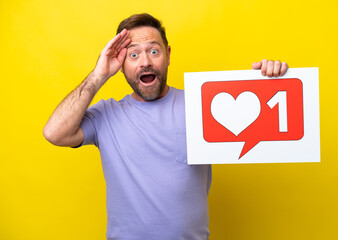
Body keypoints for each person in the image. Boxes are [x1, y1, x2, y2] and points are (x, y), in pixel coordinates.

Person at [43, 13, 288, 240]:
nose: (145, 62)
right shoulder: (106, 115)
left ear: (168, 55)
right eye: (133, 54)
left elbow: (258, 121)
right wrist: (99, 73)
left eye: (154, 51)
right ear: (121, 63)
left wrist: (268, 83)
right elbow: (54, 133)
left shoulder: (202, 105)